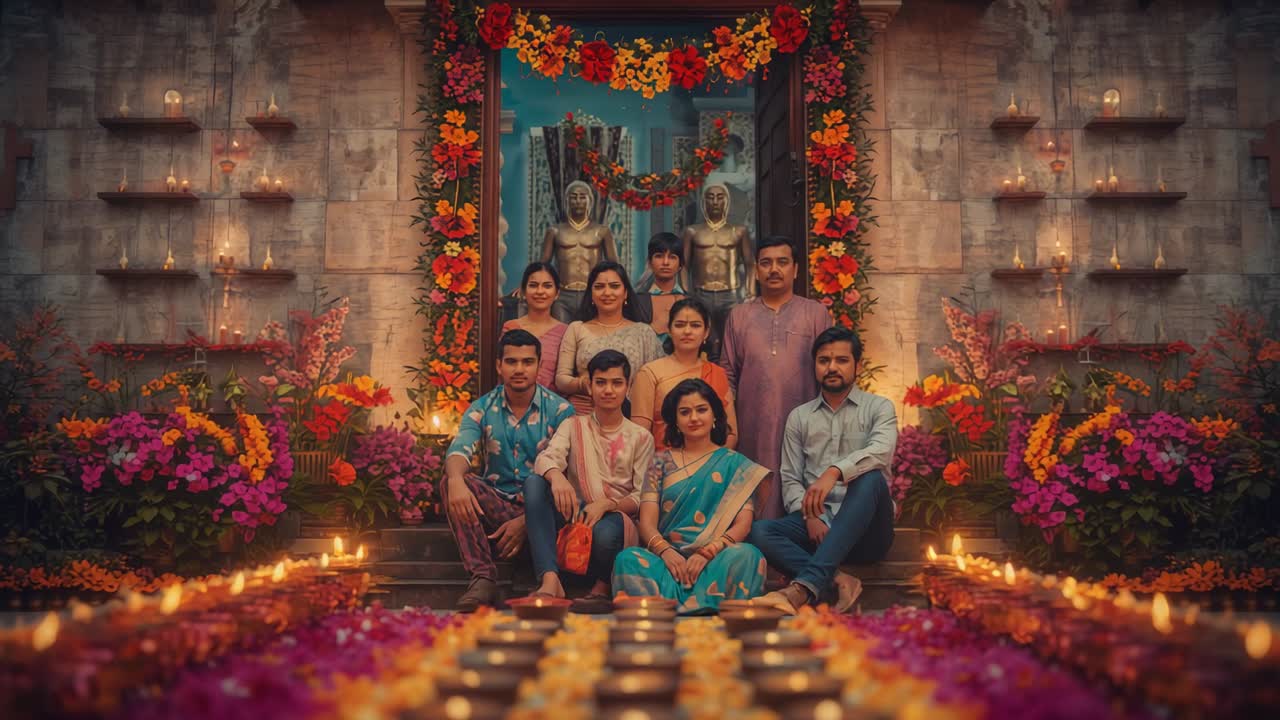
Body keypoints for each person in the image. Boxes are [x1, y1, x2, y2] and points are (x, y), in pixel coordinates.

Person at [749, 326, 897, 615]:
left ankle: (802, 588)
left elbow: (881, 452)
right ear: (814, 365)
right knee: (759, 531)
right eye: (824, 360)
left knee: (869, 476)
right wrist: (809, 516)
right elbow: (791, 478)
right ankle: (838, 579)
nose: (832, 367)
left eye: (842, 360)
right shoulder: (800, 417)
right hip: (818, 530)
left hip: (868, 532)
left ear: (858, 365)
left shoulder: (879, 408)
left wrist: (834, 472)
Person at [441, 329, 576, 612]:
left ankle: (539, 567)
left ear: (539, 365)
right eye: (511, 361)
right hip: (499, 505)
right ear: (499, 366)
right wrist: (455, 479)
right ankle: (483, 577)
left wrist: (527, 522)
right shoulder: (482, 409)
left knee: (552, 487)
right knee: (454, 480)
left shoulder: (561, 410)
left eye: (527, 362)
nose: (519, 369)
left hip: (546, 512)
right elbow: (460, 448)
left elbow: (571, 478)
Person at [612, 379, 767, 614]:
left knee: (747, 555)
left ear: (715, 414)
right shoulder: (659, 462)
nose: (694, 418)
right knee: (627, 559)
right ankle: (702, 606)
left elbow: (743, 525)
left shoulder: (733, 463)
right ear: (675, 421)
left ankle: (670, 607)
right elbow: (647, 524)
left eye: (701, 409)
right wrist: (666, 552)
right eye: (685, 412)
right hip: (668, 562)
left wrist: (707, 552)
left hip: (715, 560)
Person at [524, 350, 654, 613]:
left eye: (616, 383)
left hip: (614, 518)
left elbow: (642, 496)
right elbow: (546, 459)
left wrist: (607, 504)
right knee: (534, 483)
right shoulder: (574, 426)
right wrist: (557, 476)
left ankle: (601, 587)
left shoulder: (640, 437)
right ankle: (550, 579)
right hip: (573, 516)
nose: (608, 390)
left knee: (605, 533)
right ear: (590, 387)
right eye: (601, 382)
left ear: (627, 387)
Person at [719, 235, 831, 518]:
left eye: (782, 262)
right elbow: (727, 373)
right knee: (754, 498)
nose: (774, 270)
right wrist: (731, 426)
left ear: (795, 269)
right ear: (756, 270)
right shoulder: (740, 315)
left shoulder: (815, 313)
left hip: (804, 425)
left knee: (800, 494)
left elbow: (830, 371)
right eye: (766, 263)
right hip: (751, 426)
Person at [556, 261, 664, 415]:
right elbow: (561, 379)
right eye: (599, 287)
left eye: (614, 286)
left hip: (632, 417)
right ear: (591, 293)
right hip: (585, 415)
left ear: (625, 293)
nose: (607, 293)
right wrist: (582, 384)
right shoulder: (577, 328)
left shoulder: (643, 333)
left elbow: (655, 380)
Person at [631, 298, 737, 452]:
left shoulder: (717, 373)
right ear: (669, 330)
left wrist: (711, 464)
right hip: (665, 466)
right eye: (680, 325)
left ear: (706, 332)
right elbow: (640, 436)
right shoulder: (649, 373)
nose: (687, 331)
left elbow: (731, 433)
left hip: (711, 466)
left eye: (695, 325)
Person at [540, 181, 619, 322]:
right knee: (562, 337)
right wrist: (525, 284)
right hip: (563, 294)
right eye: (573, 197)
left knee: (590, 337)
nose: (578, 201)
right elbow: (542, 265)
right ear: (567, 200)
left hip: (591, 293)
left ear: (590, 200)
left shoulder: (601, 231)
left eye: (582, 197)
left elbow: (614, 266)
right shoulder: (555, 231)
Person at [502, 262, 568, 392]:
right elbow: (503, 373)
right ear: (523, 292)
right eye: (533, 285)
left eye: (547, 286)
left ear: (557, 293)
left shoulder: (566, 332)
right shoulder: (511, 327)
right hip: (514, 402)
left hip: (553, 407)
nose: (540, 291)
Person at [631, 232, 687, 346]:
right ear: (650, 262)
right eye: (659, 256)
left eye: (672, 257)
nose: (665, 262)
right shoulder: (636, 302)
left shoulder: (694, 301)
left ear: (680, 264)